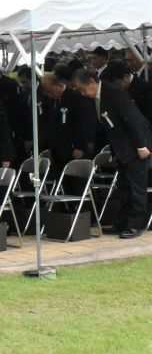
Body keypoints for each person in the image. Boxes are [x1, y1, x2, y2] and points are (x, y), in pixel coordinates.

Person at [72, 68, 152, 238]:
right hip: (120, 148)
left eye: (82, 89)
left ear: (92, 82)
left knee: (136, 187)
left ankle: (135, 225)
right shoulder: (97, 97)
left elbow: (133, 119)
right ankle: (121, 222)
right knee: (122, 187)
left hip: (135, 146)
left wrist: (141, 146)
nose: (82, 93)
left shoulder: (114, 92)